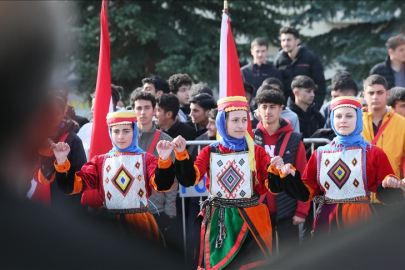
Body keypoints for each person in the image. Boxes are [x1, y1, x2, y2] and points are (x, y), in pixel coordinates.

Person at [166, 96, 281, 269]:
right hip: (219, 221)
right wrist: (182, 154)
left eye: (244, 120)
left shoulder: (257, 152)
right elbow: (190, 179)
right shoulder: (210, 151)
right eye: (235, 120)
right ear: (223, 122)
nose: (241, 125)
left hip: (251, 219)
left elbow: (270, 187)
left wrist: (277, 171)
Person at [267, 96, 405, 237]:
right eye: (338, 116)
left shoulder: (373, 153)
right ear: (332, 118)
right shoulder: (320, 153)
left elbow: (388, 196)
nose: (343, 120)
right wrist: (291, 177)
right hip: (327, 221)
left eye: (349, 116)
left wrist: (390, 184)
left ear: (358, 118)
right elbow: (307, 192)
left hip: (360, 219)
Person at [50, 110, 176, 242]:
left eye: (126, 131)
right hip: (109, 225)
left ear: (134, 132)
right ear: (110, 133)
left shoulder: (146, 159)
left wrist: (164, 158)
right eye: (116, 131)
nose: (120, 136)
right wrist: (62, 161)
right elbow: (72, 186)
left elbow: (162, 185)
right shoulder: (100, 161)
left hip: (140, 225)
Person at [253, 89, 309, 254]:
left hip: (288, 209)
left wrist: (301, 211)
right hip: (259, 208)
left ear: (280, 109)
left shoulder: (294, 138)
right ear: (258, 110)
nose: (268, 111)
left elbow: (303, 176)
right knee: (259, 259)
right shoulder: (250, 138)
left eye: (272, 107)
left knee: (290, 258)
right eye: (264, 107)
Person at [29, 93, 87, 211]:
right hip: (33, 205)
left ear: (63, 113)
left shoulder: (73, 140)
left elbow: (81, 177)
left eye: (56, 113)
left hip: (63, 208)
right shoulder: (32, 139)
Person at [132, 92, 178, 236]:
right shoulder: (124, 138)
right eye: (139, 108)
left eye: (147, 108)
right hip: (128, 208)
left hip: (156, 209)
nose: (143, 112)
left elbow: (172, 178)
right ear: (133, 110)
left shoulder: (165, 140)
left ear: (154, 111)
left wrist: (170, 209)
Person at [361, 75, 405, 210]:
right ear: (364, 95)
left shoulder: (402, 123)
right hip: (360, 198)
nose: (375, 97)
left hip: (391, 194)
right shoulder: (354, 121)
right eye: (371, 93)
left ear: (387, 94)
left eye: (379, 92)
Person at [274, 27, 326, 110]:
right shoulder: (279, 60)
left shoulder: (310, 58)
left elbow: (320, 85)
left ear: (297, 41)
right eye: (283, 40)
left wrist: (315, 108)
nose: (285, 43)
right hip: (285, 109)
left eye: (289, 40)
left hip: (308, 109)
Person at [77, 84, 121, 160]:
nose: (92, 109)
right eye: (92, 105)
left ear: (110, 105)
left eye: (96, 105)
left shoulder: (123, 129)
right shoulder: (85, 129)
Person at [288, 75, 325, 142]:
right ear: (296, 92)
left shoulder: (317, 115)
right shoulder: (287, 115)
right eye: (308, 91)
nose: (312, 95)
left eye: (313, 91)